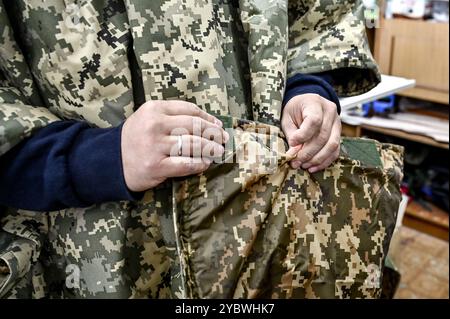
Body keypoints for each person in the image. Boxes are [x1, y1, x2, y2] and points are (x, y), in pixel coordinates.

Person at [0, 0, 383, 298]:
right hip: (88, 259)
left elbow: (316, 18)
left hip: (261, 235)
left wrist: (308, 89)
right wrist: (94, 159)